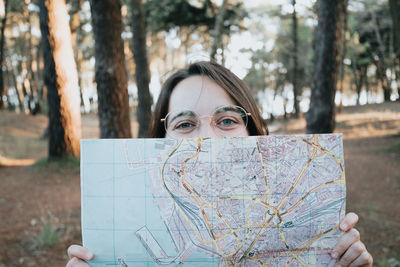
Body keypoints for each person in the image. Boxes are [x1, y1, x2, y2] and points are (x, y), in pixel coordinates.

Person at [67, 61, 373, 267]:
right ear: (159, 142)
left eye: (226, 120)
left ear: (254, 134)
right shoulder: (124, 232)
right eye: (185, 124)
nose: (208, 137)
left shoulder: (304, 222)